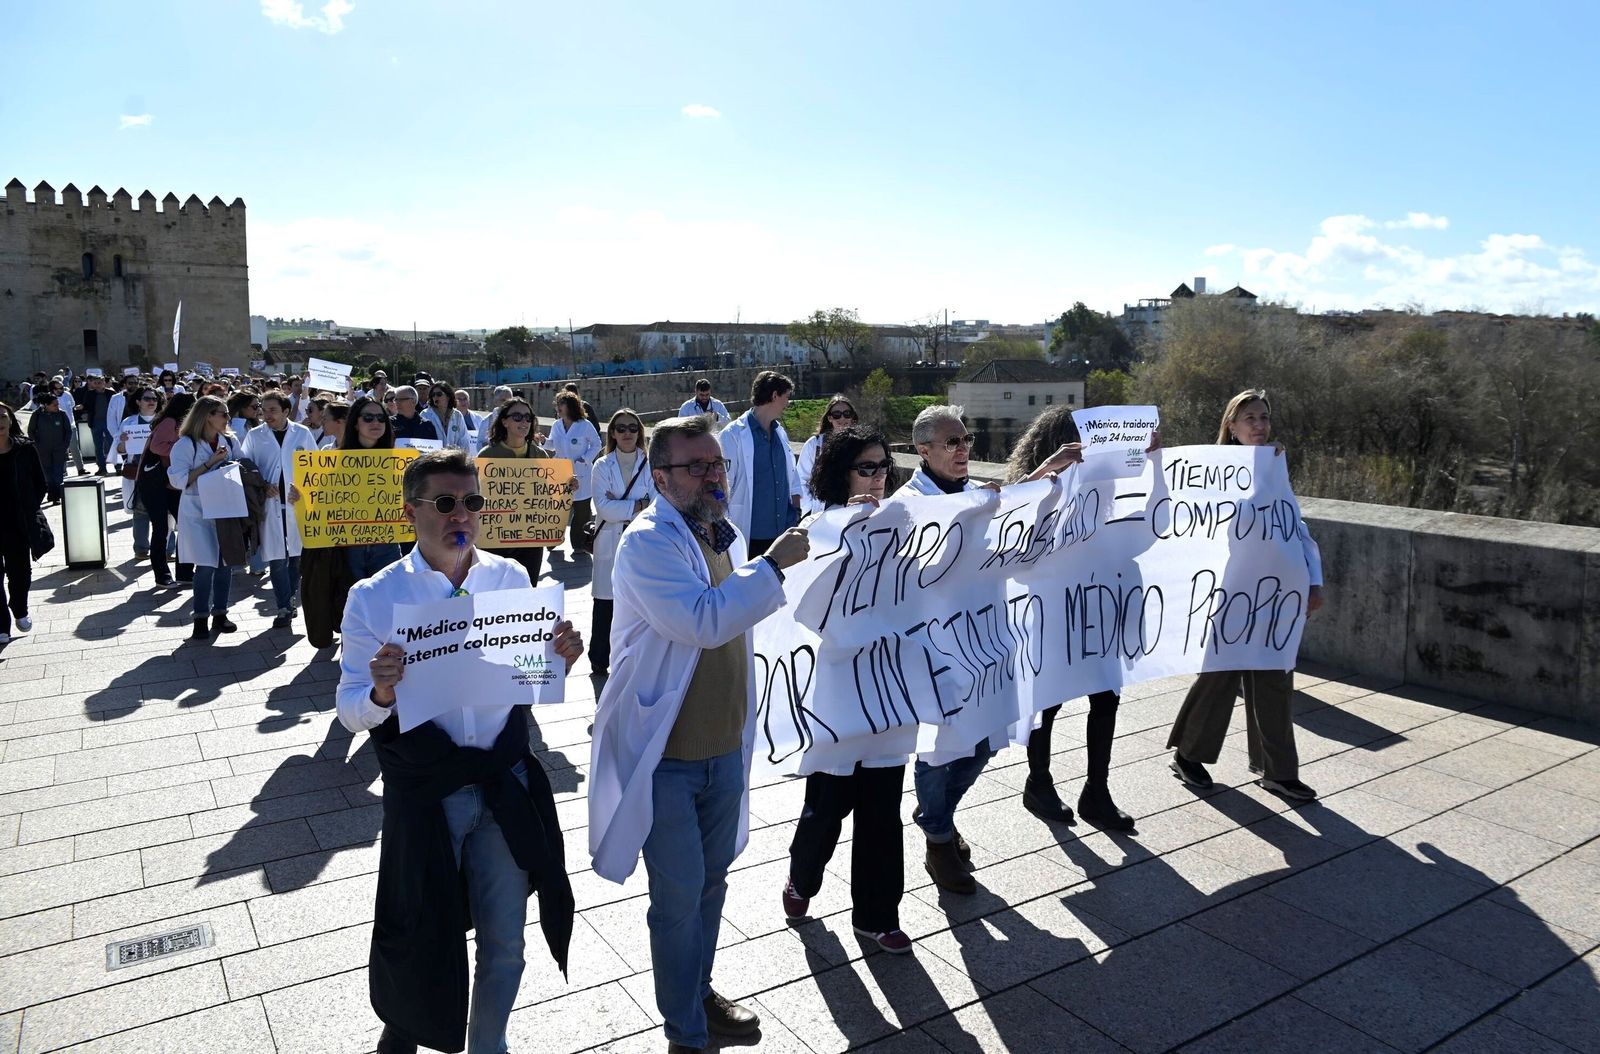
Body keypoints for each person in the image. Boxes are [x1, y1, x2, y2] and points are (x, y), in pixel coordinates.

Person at [336, 448, 581, 1054]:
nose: (460, 516)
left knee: (506, 941)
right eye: (445, 503)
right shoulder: (374, 595)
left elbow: (523, 680)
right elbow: (349, 712)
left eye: (471, 502)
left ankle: (487, 1047)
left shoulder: (510, 578)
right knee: (422, 932)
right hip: (428, 794)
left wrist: (558, 659)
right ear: (410, 509)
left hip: (502, 784)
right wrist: (382, 690)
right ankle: (408, 1026)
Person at [588, 414, 809, 1053]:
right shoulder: (647, 542)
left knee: (713, 883)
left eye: (718, 464)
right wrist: (772, 566)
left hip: (722, 748)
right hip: (668, 758)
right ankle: (684, 1030)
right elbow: (705, 621)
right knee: (680, 898)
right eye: (698, 467)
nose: (714, 475)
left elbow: (743, 613)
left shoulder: (718, 530)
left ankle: (700, 993)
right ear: (662, 478)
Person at [898, 404, 1079, 892]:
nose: (963, 450)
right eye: (952, 442)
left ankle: (936, 815)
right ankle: (939, 840)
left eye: (967, 441)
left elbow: (1017, 513)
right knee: (939, 749)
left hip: (984, 643)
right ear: (923, 451)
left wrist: (1048, 471)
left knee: (982, 744)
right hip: (934, 650)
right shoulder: (909, 505)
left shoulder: (978, 493)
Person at [782, 425, 911, 952]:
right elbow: (802, 613)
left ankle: (877, 915)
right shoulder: (819, 529)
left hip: (892, 688)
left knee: (883, 807)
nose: (878, 478)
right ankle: (803, 878)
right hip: (838, 688)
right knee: (828, 803)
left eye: (884, 467)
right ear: (840, 474)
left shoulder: (904, 523)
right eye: (866, 468)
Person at [1166, 388, 1326, 802]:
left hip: (1277, 596)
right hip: (1232, 593)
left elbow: (1295, 527)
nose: (1259, 425)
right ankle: (1188, 755)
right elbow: (1185, 520)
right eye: (1250, 418)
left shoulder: (1274, 468)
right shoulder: (1215, 470)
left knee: (1275, 677)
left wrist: (1314, 579)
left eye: (1264, 417)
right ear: (1232, 427)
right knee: (1220, 676)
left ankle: (1279, 771)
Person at [1002, 405, 1145, 831]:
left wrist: (1149, 459)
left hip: (1096, 604)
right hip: (1049, 608)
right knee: (1049, 700)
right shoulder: (1037, 485)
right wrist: (1050, 473)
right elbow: (1010, 522)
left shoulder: (1102, 484)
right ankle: (1039, 782)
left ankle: (1096, 791)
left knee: (1106, 696)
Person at [242, 391, 320, 628]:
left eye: (272, 410)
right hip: (270, 505)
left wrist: (304, 491)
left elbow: (314, 467)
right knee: (276, 557)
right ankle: (283, 606)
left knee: (296, 556)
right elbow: (246, 467)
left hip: (296, 504)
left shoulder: (302, 433)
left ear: (286, 411)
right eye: (263, 410)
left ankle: (291, 596)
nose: (267, 415)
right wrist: (264, 486)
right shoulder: (255, 435)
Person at [167, 395, 243, 640]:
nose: (227, 418)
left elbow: (241, 466)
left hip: (225, 507)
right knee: (205, 565)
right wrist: (211, 463)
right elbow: (179, 480)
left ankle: (220, 614)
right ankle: (200, 617)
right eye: (223, 413)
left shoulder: (229, 440)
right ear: (207, 416)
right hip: (197, 510)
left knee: (224, 563)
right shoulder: (185, 444)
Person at [587, 408, 654, 677]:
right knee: (605, 604)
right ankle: (599, 657)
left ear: (639, 433)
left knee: (637, 603)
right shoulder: (601, 466)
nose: (627, 433)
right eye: (621, 428)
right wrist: (638, 503)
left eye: (632, 428)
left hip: (640, 541)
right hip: (610, 540)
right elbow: (604, 509)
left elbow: (656, 503)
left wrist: (622, 504)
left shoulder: (650, 464)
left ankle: (632, 654)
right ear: (612, 433)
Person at [718, 370, 803, 556]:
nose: (788, 404)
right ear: (774, 396)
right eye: (786, 397)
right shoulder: (732, 435)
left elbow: (792, 477)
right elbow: (721, 486)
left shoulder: (780, 433)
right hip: (751, 537)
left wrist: (796, 513)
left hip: (784, 534)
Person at [475, 398, 552, 588]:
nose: (524, 422)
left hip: (530, 540)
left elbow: (550, 497)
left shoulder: (540, 456)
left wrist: (567, 486)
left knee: (527, 591)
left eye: (528, 417)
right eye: (517, 417)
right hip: (494, 540)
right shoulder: (486, 456)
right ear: (504, 421)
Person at [340, 396, 404, 581]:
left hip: (387, 544)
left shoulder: (399, 461)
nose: (376, 422)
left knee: (387, 604)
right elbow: (320, 502)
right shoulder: (333, 460)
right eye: (368, 418)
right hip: (349, 547)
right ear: (355, 423)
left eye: (381, 418)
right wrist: (300, 497)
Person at [0, 401, 47, 644]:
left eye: (2, 417)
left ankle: (19, 608)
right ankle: (1, 625)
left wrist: (28, 508)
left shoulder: (25, 449)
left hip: (18, 523)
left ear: (10, 420)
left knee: (20, 573)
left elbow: (40, 484)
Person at [140, 393, 197, 587]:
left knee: (186, 526)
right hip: (155, 483)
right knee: (161, 528)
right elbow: (157, 447)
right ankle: (161, 574)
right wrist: (181, 449)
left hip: (172, 482)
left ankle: (184, 572)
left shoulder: (178, 423)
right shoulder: (169, 422)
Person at [548, 392, 602, 554]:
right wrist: (543, 441)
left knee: (581, 510)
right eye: (557, 404)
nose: (558, 408)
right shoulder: (557, 425)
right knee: (558, 508)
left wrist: (585, 458)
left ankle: (578, 544)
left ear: (570, 406)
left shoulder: (584, 425)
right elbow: (552, 445)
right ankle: (552, 540)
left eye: (561, 404)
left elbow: (597, 444)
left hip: (581, 472)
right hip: (561, 473)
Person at [115, 387, 164, 559]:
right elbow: (120, 451)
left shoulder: (164, 421)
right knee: (141, 511)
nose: (152, 402)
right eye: (147, 398)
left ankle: (167, 549)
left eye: (155, 399)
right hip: (139, 473)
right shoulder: (129, 422)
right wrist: (122, 442)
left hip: (162, 472)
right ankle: (141, 549)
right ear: (138, 402)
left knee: (165, 512)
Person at [795, 394, 859, 515]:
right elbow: (801, 480)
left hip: (849, 512)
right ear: (830, 418)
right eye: (836, 415)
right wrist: (810, 509)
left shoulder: (860, 445)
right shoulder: (814, 445)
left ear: (852, 417)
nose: (842, 418)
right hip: (820, 513)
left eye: (847, 414)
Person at [25, 392, 72, 503]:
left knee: (58, 473)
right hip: (43, 450)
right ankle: (52, 493)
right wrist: (36, 444)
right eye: (54, 405)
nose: (57, 407)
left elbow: (68, 432)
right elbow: (31, 431)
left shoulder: (62, 414)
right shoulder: (37, 415)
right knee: (47, 473)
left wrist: (65, 445)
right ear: (46, 405)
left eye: (57, 404)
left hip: (59, 449)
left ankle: (57, 495)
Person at [422, 383, 474, 451]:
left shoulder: (457, 415)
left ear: (448, 396)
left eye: (439, 394)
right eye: (433, 395)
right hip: (434, 458)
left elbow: (464, 441)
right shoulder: (425, 415)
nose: (435, 397)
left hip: (454, 459)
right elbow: (423, 442)